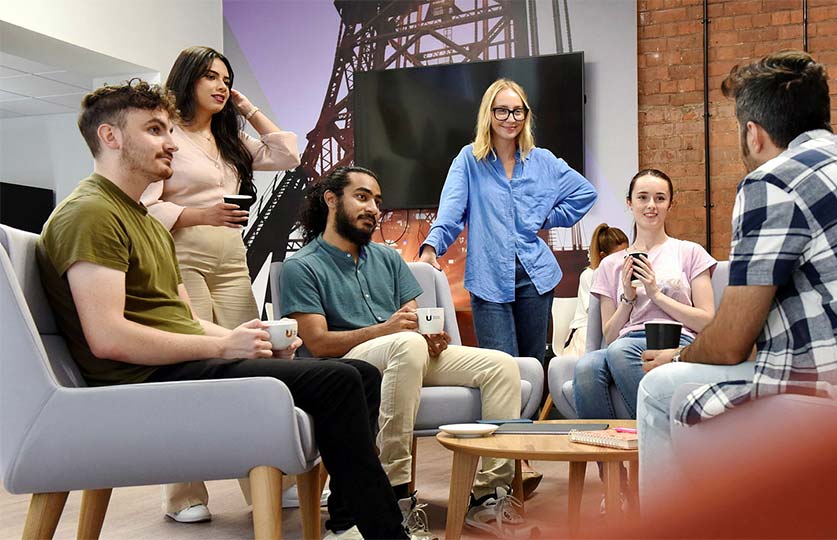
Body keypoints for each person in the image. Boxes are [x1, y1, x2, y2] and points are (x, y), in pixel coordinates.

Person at [35, 80, 408, 540]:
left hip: (180, 365)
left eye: (170, 130)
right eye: (155, 129)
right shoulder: (90, 212)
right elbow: (108, 336)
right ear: (110, 137)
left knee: (358, 374)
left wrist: (248, 343)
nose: (171, 142)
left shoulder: (144, 219)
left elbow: (186, 319)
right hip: (142, 381)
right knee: (341, 379)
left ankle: (353, 521)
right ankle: (381, 532)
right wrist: (226, 344)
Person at [635, 50, 837, 499]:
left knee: (658, 389)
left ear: (753, 134)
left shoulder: (773, 182)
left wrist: (678, 359)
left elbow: (732, 339)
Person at [280, 166, 535, 539]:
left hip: (407, 354)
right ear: (331, 200)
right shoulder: (301, 266)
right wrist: (392, 330)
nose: (373, 208)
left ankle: (487, 496)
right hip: (346, 366)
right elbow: (317, 344)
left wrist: (433, 336)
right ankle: (395, 493)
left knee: (501, 365)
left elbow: (414, 318)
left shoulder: (388, 259)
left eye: (377, 201)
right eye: (362, 197)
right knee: (407, 344)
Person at [140, 46, 301, 521]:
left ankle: (267, 482)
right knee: (192, 370)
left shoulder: (231, 142)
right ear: (186, 80)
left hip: (232, 264)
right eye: (209, 76)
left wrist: (246, 107)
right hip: (181, 260)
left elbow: (287, 155)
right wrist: (199, 213)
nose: (220, 85)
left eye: (226, 78)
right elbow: (143, 207)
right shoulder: (164, 134)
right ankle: (183, 494)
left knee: (252, 365)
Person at [418, 78, 597, 365]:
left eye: (518, 111)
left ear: (526, 116)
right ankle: (507, 414)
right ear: (488, 113)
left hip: (535, 278)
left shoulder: (542, 161)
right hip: (488, 278)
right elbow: (451, 212)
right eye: (501, 110)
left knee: (533, 365)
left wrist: (546, 218)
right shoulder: (469, 159)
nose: (510, 119)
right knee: (501, 367)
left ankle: (529, 413)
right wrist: (431, 248)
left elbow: (585, 193)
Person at [572, 170, 717, 419]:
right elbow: (610, 334)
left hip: (676, 339)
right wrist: (627, 298)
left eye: (660, 198)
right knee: (586, 366)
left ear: (671, 203)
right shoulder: (611, 264)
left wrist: (656, 294)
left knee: (620, 352)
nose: (651, 205)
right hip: (626, 340)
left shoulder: (689, 252)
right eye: (643, 198)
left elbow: (706, 321)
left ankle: (663, 434)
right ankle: (610, 458)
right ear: (629, 203)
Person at [557, 223, 629, 358]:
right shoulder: (589, 275)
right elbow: (595, 314)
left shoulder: (627, 275)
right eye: (617, 257)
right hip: (586, 330)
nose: (622, 261)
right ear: (603, 256)